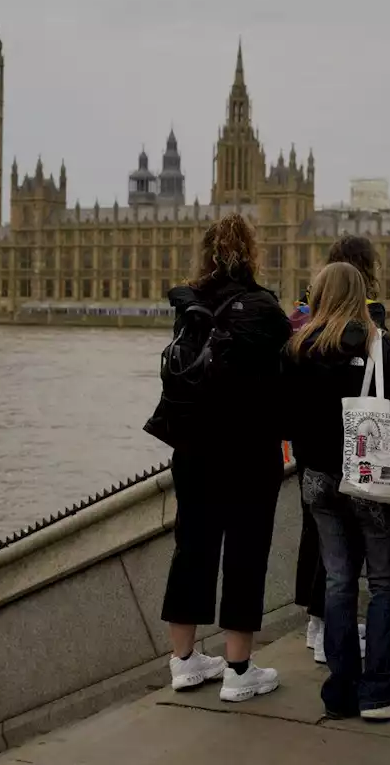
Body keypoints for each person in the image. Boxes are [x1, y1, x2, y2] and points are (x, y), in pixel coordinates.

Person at [152, 213, 292, 702]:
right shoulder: (263, 308)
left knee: (191, 546)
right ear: (250, 254)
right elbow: (285, 375)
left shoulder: (189, 305)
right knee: (246, 552)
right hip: (250, 451)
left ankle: (185, 662)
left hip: (193, 448)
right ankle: (237, 670)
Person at [282, 262, 390, 721]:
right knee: (383, 582)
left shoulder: (298, 347)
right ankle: (380, 690)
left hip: (318, 480)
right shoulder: (379, 344)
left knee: (340, 582)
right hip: (369, 479)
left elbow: (283, 418)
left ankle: (341, 690)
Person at [294, 235, 382, 663]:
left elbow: (285, 408)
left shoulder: (299, 335)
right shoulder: (367, 335)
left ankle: (321, 627)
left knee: (321, 543)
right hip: (352, 459)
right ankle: (332, 633)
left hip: (311, 459)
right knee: (352, 556)